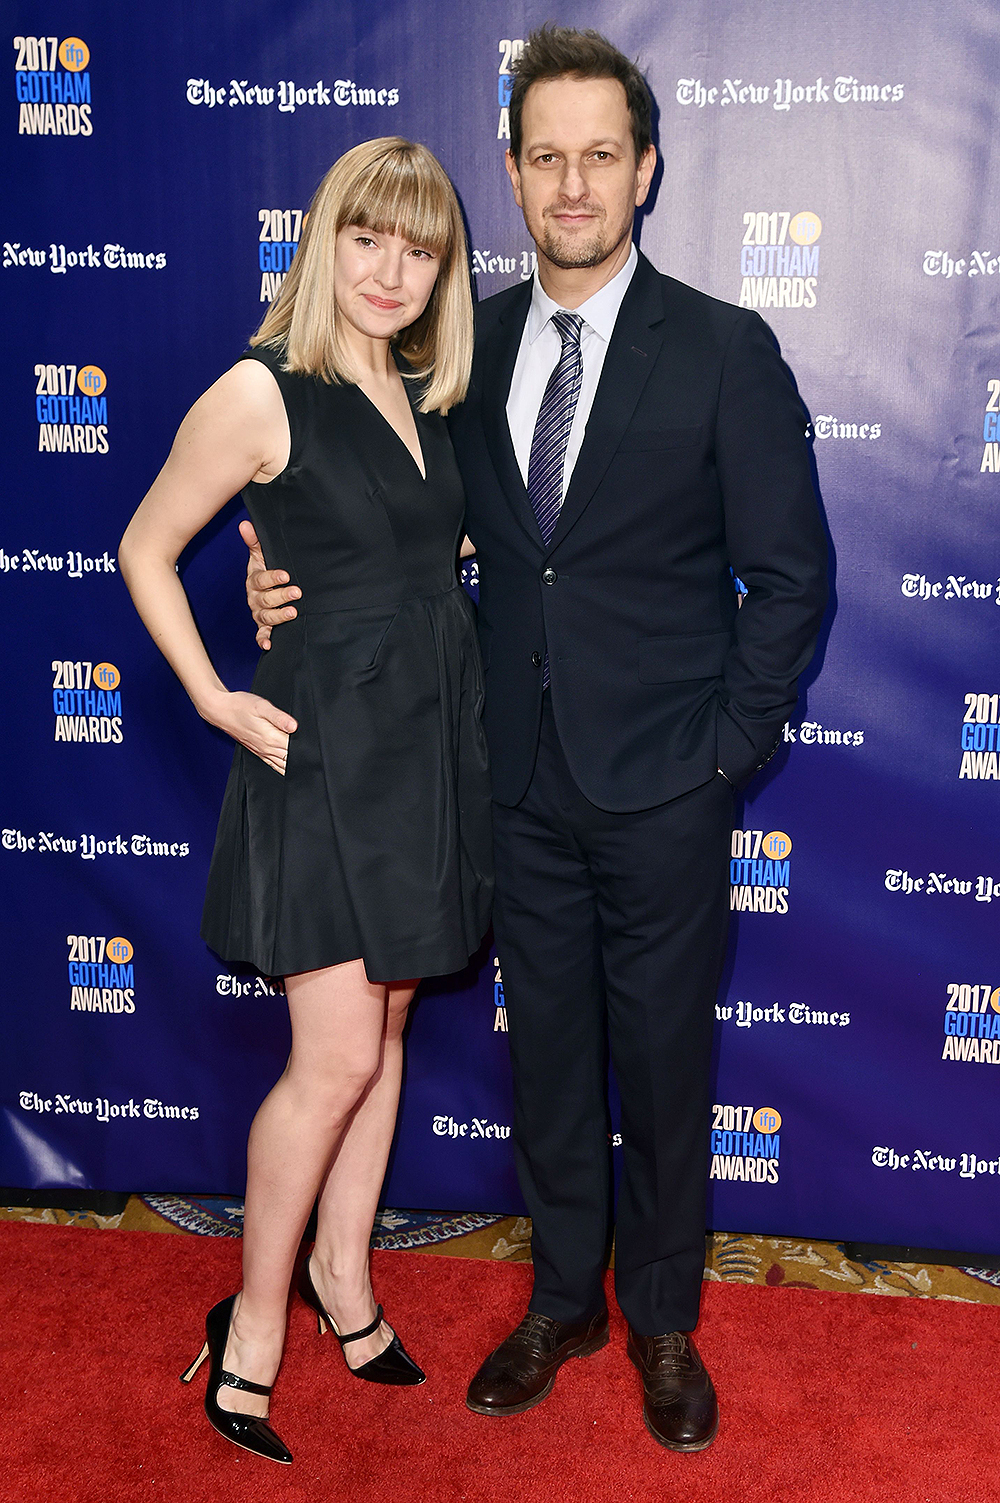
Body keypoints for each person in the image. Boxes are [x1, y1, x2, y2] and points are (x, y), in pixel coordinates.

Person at [245, 28, 828, 1455]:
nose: (573, 184)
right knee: (551, 1060)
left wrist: (722, 758)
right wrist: (281, 589)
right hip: (505, 780)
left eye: (601, 156)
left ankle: (666, 1323)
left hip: (667, 786)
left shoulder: (724, 347)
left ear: (645, 173)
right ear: (512, 173)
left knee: (668, 1064)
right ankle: (561, 1302)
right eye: (546, 157)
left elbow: (792, 579)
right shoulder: (464, 345)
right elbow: (387, 525)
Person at [118, 137, 492, 1465]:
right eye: (369, 237)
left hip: (427, 754)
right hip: (322, 759)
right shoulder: (260, 391)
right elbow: (145, 545)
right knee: (332, 1054)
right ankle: (254, 1327)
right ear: (324, 239)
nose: (393, 269)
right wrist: (218, 693)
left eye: (422, 246)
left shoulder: (430, 393)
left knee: (384, 1036)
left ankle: (347, 1281)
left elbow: (413, 550)